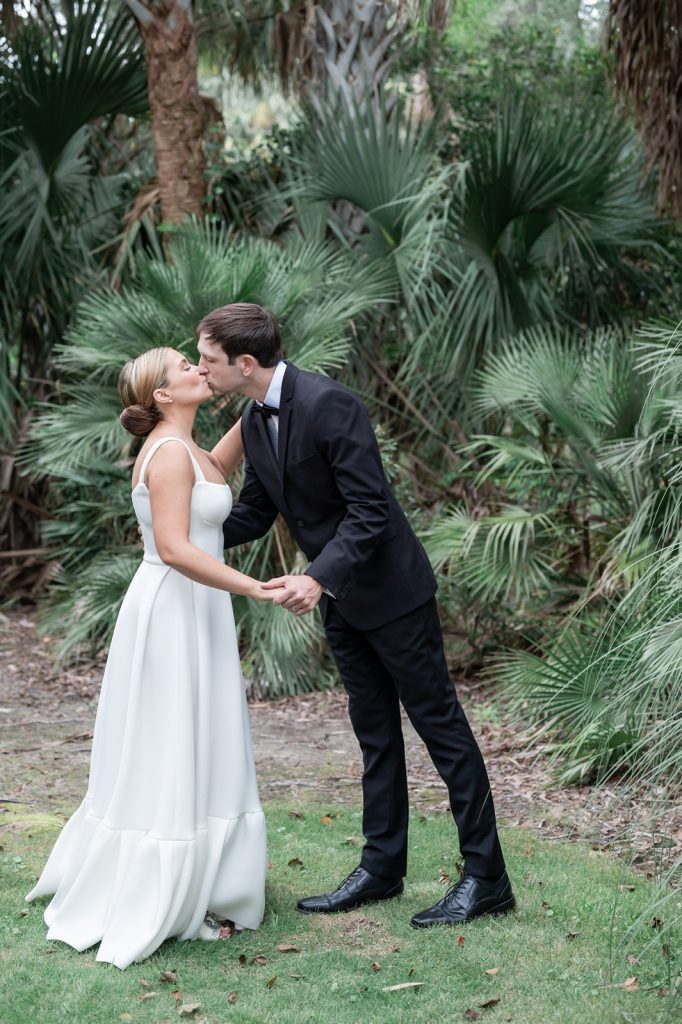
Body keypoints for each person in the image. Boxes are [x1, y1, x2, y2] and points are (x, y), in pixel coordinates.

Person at [196, 303, 515, 928]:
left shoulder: (330, 404)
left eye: (208, 360)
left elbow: (370, 509)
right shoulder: (254, 419)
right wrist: (179, 532)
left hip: (393, 596)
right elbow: (256, 511)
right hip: (340, 601)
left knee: (443, 732)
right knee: (375, 735)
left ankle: (487, 879)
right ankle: (381, 868)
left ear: (246, 363)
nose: (201, 369)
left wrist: (315, 577)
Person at [26, 347, 276, 968]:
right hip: (176, 605)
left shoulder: (186, 448)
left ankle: (214, 879)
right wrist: (254, 587)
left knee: (201, 734)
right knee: (174, 738)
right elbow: (173, 546)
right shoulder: (165, 453)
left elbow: (214, 475)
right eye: (185, 368)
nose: (198, 368)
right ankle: (166, 883)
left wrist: (263, 397)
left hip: (198, 605)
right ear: (163, 396)